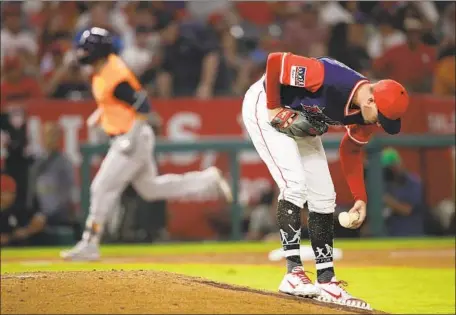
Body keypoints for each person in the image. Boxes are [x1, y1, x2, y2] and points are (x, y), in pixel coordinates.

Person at [241, 52, 409, 310]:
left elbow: (351, 151)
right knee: (294, 184)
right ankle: (293, 273)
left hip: (300, 118)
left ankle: (326, 280)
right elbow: (276, 61)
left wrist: (360, 198)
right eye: (381, 116)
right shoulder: (327, 78)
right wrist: (274, 106)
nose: (379, 122)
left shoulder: (365, 114)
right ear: (372, 99)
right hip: (265, 103)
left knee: (324, 195)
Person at [60, 27, 232, 261]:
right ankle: (207, 181)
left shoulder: (113, 73)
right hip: (130, 137)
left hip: (131, 138)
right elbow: (114, 101)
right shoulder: (103, 69)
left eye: (86, 48)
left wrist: (132, 134)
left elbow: (142, 104)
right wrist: (100, 114)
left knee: (100, 187)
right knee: (150, 189)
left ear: (97, 51)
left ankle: (90, 243)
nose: (81, 52)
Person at [381, 148, 425, 237]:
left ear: (398, 165)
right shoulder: (386, 184)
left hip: (411, 233)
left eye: (391, 167)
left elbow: (407, 210)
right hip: (390, 234)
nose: (390, 170)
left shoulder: (413, 182)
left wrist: (386, 200)